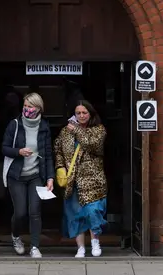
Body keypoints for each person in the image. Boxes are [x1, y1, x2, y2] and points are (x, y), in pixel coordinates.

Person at [1, 92, 54, 258]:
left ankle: (35, 247)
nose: (27, 109)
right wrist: (19, 151)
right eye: (25, 106)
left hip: (36, 175)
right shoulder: (15, 125)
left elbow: (47, 153)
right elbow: (4, 148)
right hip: (16, 176)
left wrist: (50, 177)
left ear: (38, 108)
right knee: (20, 212)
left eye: (30, 106)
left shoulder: (44, 127)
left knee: (35, 211)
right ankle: (16, 236)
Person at [54, 100, 108, 258]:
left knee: (93, 212)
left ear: (91, 114)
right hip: (73, 180)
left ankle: (95, 242)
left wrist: (77, 130)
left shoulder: (98, 130)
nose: (82, 116)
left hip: (93, 180)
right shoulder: (65, 131)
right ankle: (81, 248)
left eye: (85, 113)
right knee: (75, 214)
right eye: (78, 113)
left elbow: (93, 145)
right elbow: (58, 149)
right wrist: (60, 167)